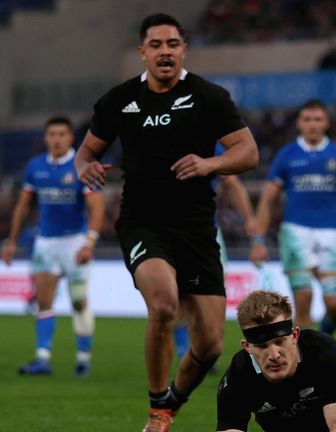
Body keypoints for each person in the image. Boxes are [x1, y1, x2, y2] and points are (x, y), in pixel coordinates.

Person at [74, 13, 259, 432]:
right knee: (163, 303)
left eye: (172, 44)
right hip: (143, 223)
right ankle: (157, 410)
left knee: (210, 345)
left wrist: (210, 162)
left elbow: (248, 153)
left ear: (183, 50)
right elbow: (85, 152)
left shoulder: (209, 97)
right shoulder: (119, 100)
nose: (164, 52)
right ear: (142, 52)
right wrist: (84, 167)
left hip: (196, 230)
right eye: (155, 45)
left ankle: (172, 401)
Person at [251, 99, 336, 336]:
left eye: (317, 119)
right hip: (295, 233)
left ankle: (324, 340)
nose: (312, 124)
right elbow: (268, 200)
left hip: (330, 234)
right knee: (304, 300)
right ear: (299, 123)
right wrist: (258, 240)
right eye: (307, 119)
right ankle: (305, 364)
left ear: (326, 123)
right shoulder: (286, 156)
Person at [2, 116, 104, 377]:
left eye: (61, 134)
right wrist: (12, 241)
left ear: (71, 138)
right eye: (52, 134)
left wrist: (89, 242)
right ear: (46, 138)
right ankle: (43, 359)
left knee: (79, 301)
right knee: (44, 300)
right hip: (46, 242)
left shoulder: (81, 166)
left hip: (75, 241)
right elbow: (24, 206)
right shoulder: (35, 167)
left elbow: (96, 207)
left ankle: (83, 360)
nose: (56, 139)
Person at [217, 290, 336, 432]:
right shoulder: (238, 376)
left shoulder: (324, 353)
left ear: (295, 336)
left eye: (279, 342)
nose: (274, 354)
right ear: (248, 347)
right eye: (262, 346)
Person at [173, 142, 258, 372]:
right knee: (180, 294)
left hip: (207, 231)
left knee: (211, 290)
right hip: (171, 231)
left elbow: (231, 181)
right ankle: (185, 353)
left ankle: (207, 348)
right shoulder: (161, 138)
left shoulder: (209, 142)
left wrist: (249, 218)